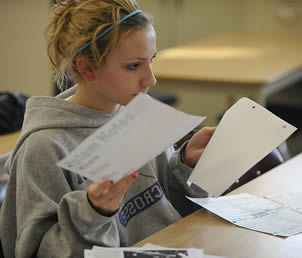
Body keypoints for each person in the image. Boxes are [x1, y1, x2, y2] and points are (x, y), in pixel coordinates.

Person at [0, 0, 215, 257]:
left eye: (151, 61)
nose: (151, 79)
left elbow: (166, 205)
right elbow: (36, 252)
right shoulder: (44, 147)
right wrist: (93, 211)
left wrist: (185, 164)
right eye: (134, 66)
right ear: (87, 68)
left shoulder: (140, 115)